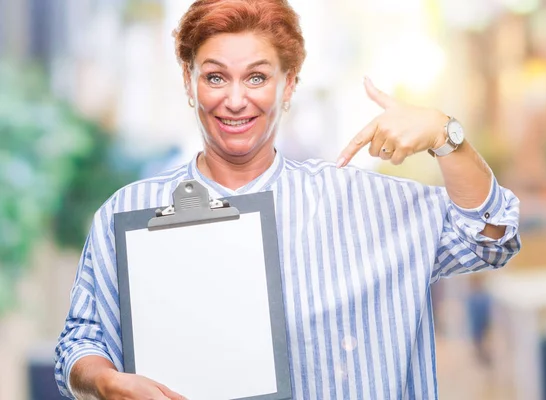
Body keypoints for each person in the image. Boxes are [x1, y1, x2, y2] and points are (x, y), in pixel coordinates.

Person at [54, 0, 521, 399]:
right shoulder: (128, 212)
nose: (235, 100)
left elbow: (490, 236)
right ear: (188, 80)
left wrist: (447, 136)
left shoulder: (362, 202)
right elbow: (82, 338)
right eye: (215, 78)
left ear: (289, 84)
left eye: (256, 78)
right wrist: (105, 382)